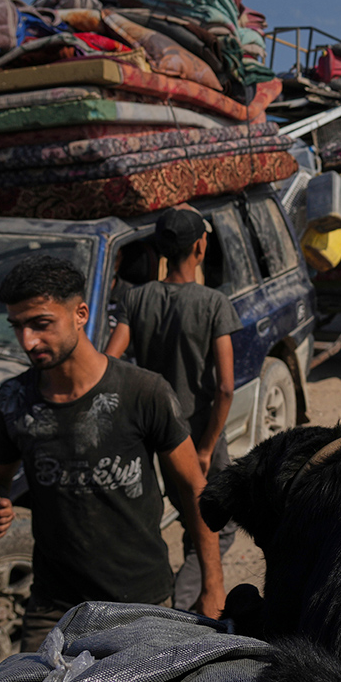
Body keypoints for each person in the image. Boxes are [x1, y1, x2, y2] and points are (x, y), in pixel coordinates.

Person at [0, 255, 224, 651]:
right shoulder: (13, 400)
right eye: (17, 327)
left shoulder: (144, 392)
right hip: (54, 609)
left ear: (80, 314)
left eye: (41, 324)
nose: (28, 341)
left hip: (141, 604)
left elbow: (194, 490)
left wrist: (214, 585)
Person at [120, 209, 241, 611]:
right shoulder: (213, 303)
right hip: (199, 430)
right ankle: (187, 604)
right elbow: (225, 386)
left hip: (158, 434)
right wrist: (207, 448)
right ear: (200, 247)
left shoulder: (135, 298)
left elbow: (109, 361)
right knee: (218, 528)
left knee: (191, 517)